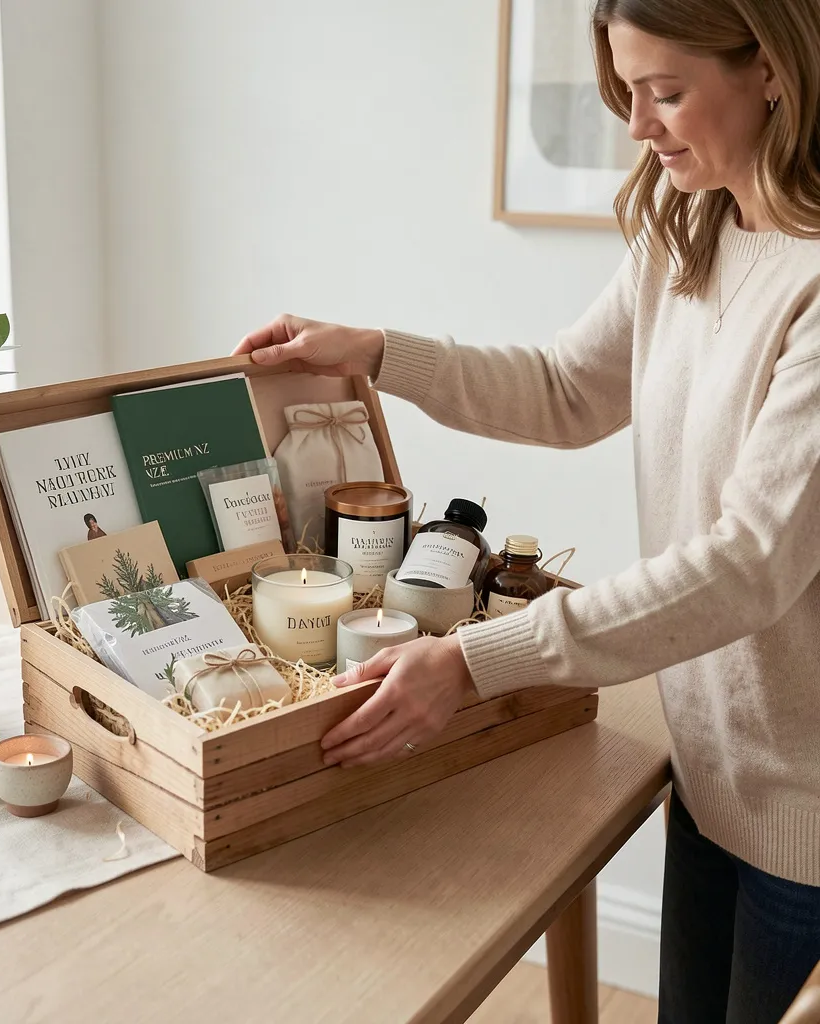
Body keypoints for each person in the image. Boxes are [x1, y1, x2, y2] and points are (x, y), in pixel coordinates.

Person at [234, 1, 820, 1019]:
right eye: (625, 92)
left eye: (665, 93)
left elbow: (746, 564)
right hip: (709, 773)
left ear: (771, 68)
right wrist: (376, 351)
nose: (637, 127)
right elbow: (564, 388)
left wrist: (470, 661)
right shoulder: (690, 227)